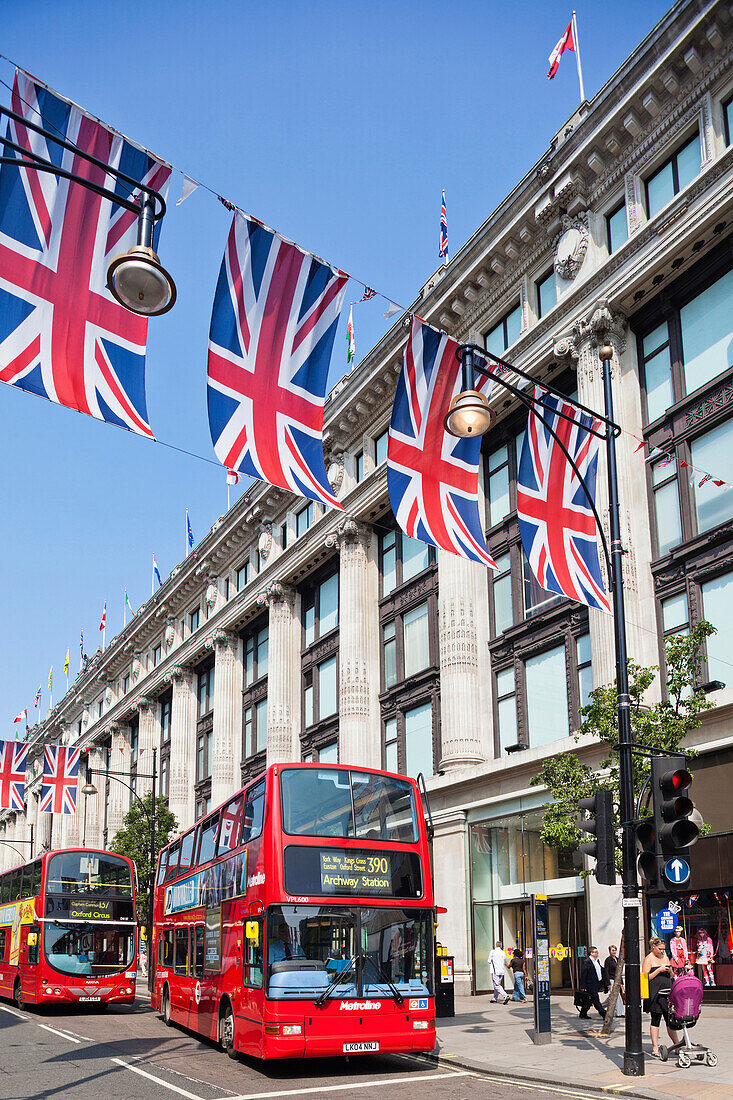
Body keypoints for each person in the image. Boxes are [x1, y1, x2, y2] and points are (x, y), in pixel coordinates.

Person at [642, 936, 680, 1058]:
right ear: (653, 947)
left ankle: (677, 1044)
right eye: (659, 949)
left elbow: (672, 976)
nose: (662, 951)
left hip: (667, 992)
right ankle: (655, 1047)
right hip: (655, 994)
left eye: (663, 949)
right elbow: (644, 978)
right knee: (656, 1019)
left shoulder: (665, 957)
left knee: (670, 1020)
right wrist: (658, 970)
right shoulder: (648, 959)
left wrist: (670, 971)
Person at [578, 946, 607, 1019]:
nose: (597, 953)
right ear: (591, 953)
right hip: (590, 984)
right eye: (596, 952)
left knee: (589, 1000)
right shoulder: (586, 962)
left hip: (597, 983)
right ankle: (604, 1014)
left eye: (597, 952)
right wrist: (582, 986)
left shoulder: (597, 961)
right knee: (596, 1000)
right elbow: (583, 974)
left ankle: (583, 1014)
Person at [603, 944, 624, 1016]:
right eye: (612, 950)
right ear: (609, 951)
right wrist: (608, 983)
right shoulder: (608, 960)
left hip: (617, 980)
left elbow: (619, 972)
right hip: (611, 979)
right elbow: (606, 972)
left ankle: (601, 1006)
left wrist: (621, 982)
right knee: (617, 996)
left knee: (612, 996)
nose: (614, 952)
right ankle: (619, 1013)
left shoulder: (617, 959)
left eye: (615, 950)